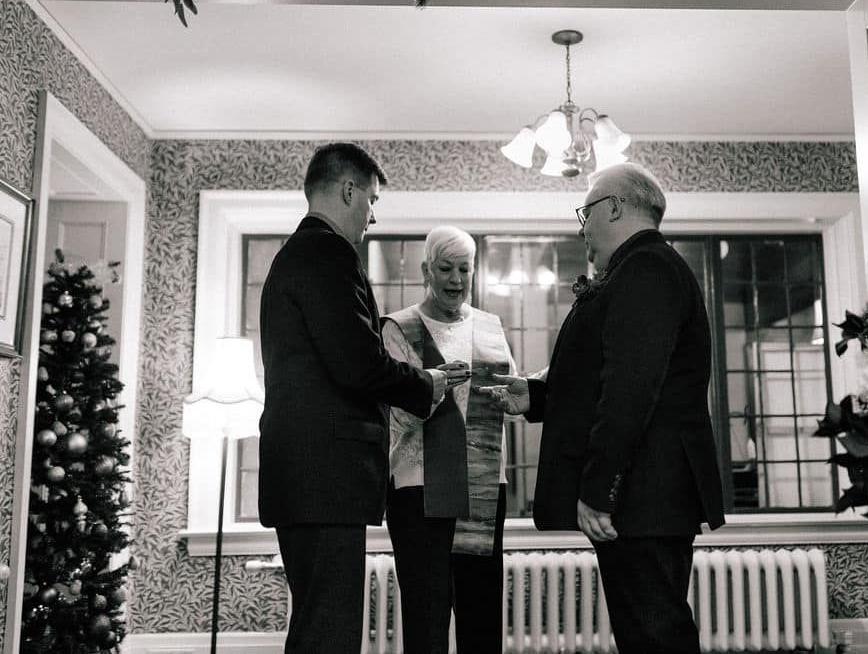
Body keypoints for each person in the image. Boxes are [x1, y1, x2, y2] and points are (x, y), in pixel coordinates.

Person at [482, 163, 726, 654]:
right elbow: (606, 377)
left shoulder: (648, 269)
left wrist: (598, 489)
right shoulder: (639, 270)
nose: (582, 227)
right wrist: (538, 396)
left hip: (643, 495)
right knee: (645, 634)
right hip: (643, 497)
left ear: (614, 206)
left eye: (586, 212)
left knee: (656, 636)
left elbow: (630, 388)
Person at [258, 143, 470, 653]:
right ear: (348, 190)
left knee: (315, 626)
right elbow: (358, 363)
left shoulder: (295, 255)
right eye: (372, 199)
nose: (373, 215)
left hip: (304, 477)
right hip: (324, 476)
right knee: (328, 633)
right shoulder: (328, 254)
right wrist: (428, 384)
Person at [382, 225, 514, 654]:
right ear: (426, 269)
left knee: (482, 618)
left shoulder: (491, 328)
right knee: (427, 619)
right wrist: (434, 387)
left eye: (464, 269)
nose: (456, 280)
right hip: (418, 496)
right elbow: (391, 421)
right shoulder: (397, 329)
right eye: (445, 268)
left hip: (482, 490)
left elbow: (509, 399)